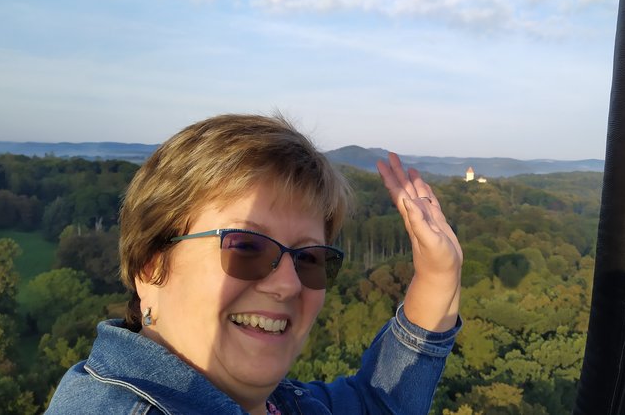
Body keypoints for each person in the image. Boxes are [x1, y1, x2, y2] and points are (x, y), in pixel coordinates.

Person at [46, 114, 462, 414]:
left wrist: (438, 279)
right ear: (152, 268)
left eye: (309, 258)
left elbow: (376, 403)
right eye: (246, 247)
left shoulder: (273, 403)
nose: (288, 284)